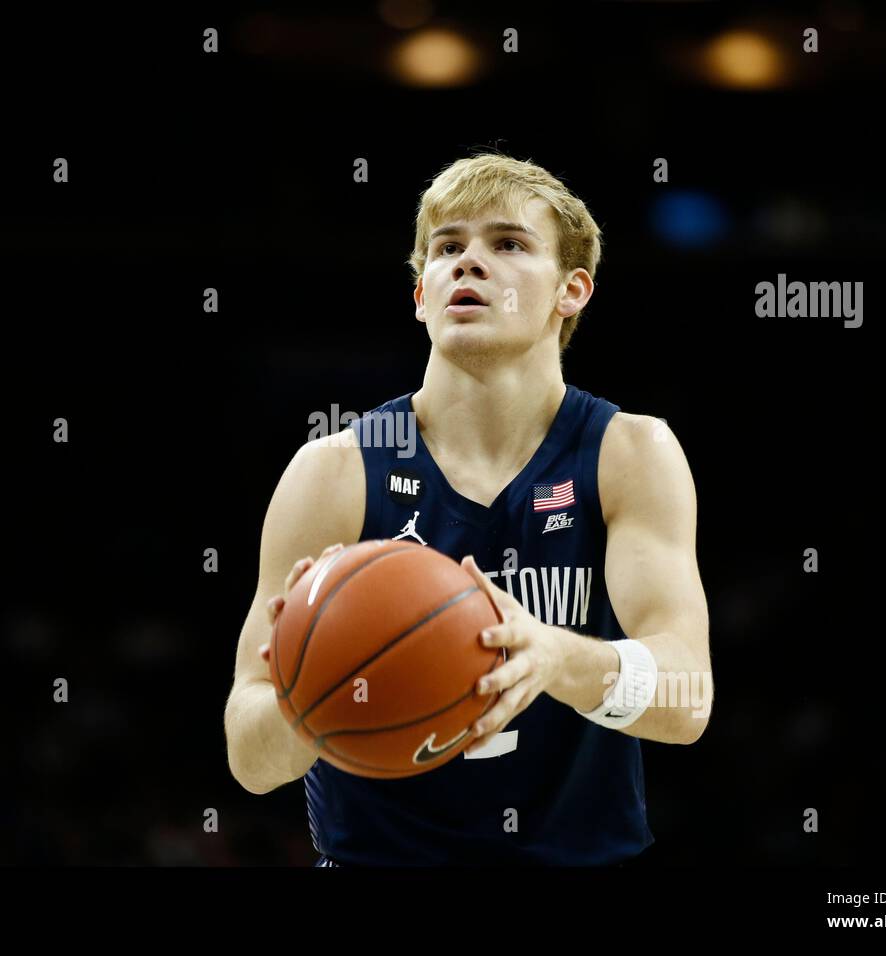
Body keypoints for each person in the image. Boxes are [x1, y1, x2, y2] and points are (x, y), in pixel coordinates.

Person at [223, 152, 712, 865]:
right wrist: (313, 695)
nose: (468, 262)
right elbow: (248, 753)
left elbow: (688, 699)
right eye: (448, 247)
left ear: (571, 291)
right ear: (421, 294)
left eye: (507, 243)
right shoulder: (333, 471)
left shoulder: (628, 453)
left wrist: (552, 658)